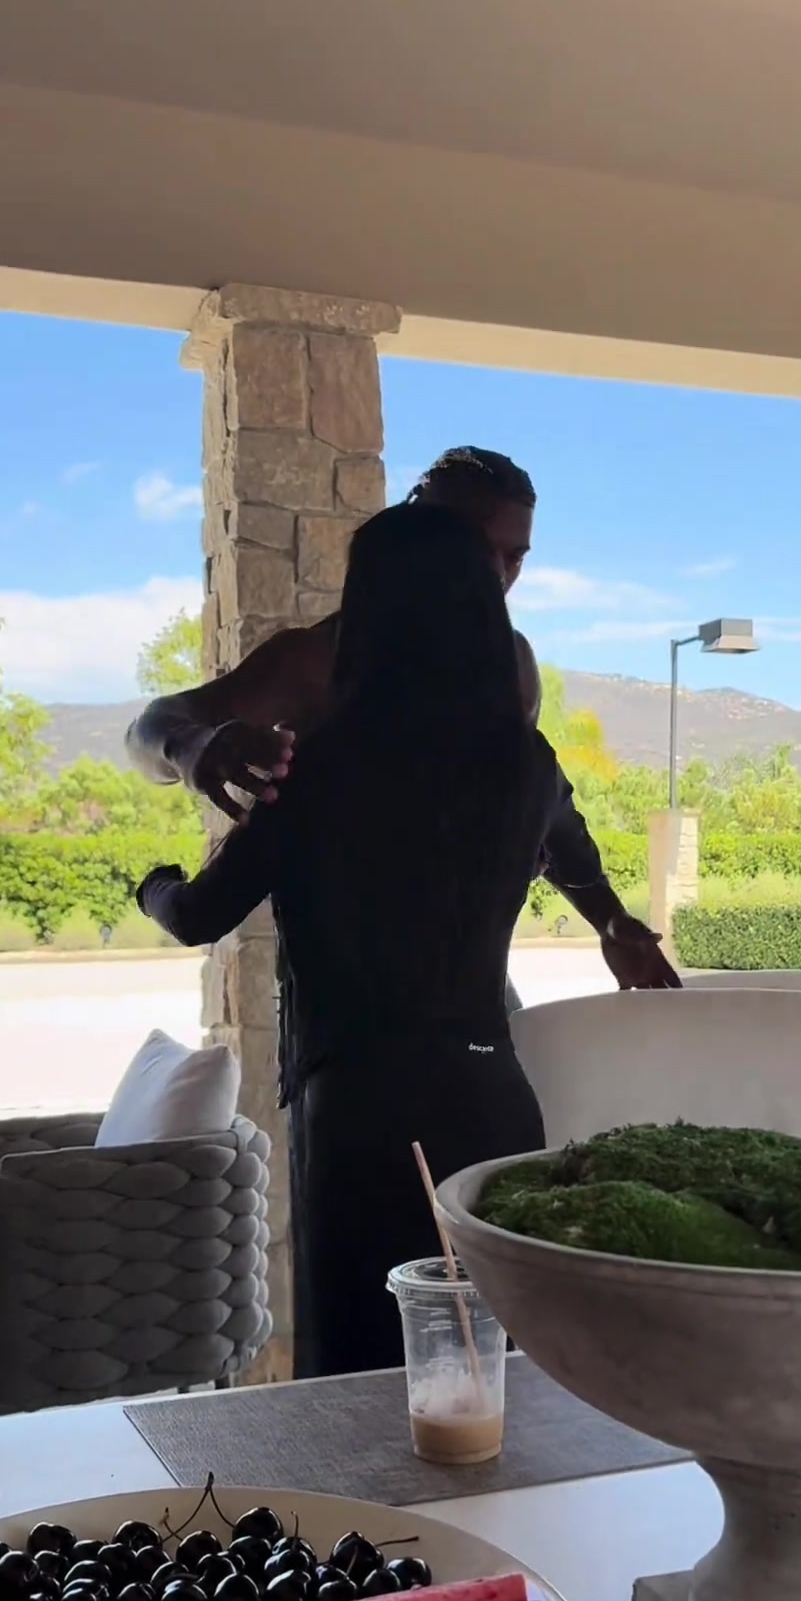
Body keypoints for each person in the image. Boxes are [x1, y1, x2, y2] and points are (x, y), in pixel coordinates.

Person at [136, 505, 569, 1377]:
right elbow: (564, 853)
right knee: (491, 1368)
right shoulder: (530, 766)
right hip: (494, 1098)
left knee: (359, 1382)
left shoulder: (321, 768)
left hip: (361, 1111)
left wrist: (154, 885)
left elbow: (199, 916)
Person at [126, 446, 679, 994]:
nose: (495, 575)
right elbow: (148, 730)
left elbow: (541, 806)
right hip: (341, 1002)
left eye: (515, 557)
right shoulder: (314, 662)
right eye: (474, 549)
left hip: (468, 995)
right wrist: (187, 746)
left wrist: (608, 918)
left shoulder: (512, 668)